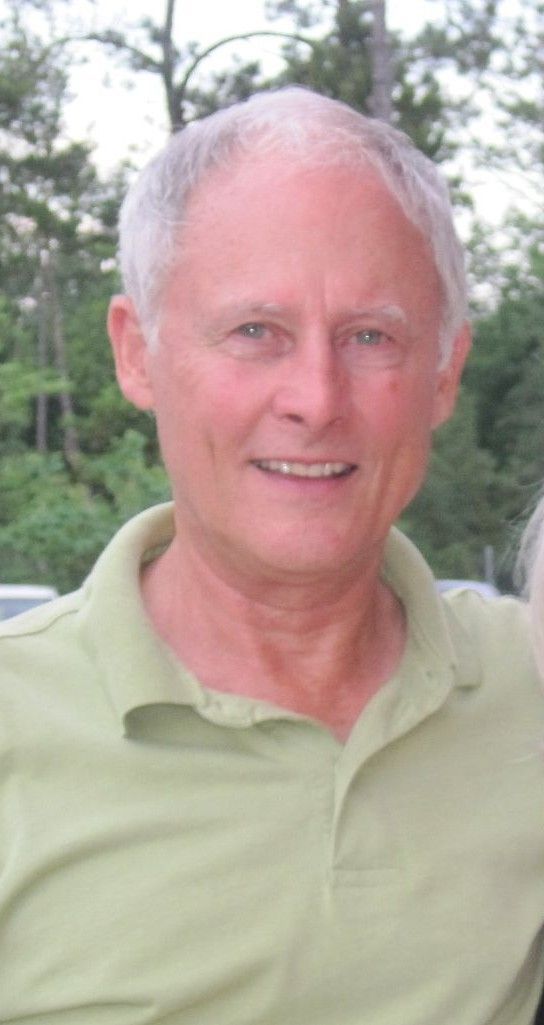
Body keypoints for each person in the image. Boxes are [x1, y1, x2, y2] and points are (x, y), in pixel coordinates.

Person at [1, 87, 543, 1025]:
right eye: (256, 331)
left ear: (445, 372)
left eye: (371, 337)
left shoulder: (529, 682)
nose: (316, 398)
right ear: (137, 354)